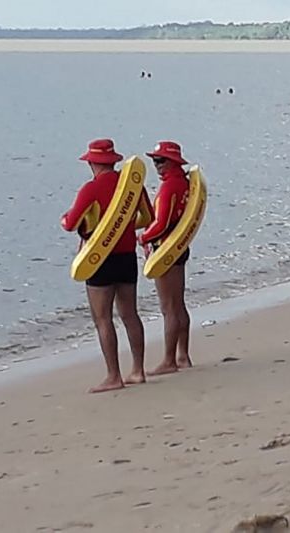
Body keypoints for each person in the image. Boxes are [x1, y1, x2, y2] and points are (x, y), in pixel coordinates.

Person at [60, 138, 152, 393]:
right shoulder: (132, 187)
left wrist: (64, 219)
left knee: (103, 319)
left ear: (92, 163)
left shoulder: (90, 189)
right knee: (130, 314)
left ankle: (114, 376)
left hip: (99, 258)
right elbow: (148, 217)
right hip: (126, 257)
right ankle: (138, 370)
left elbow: (70, 223)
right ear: (113, 161)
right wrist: (123, 229)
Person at [139, 141, 193, 375]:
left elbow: (161, 223)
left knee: (168, 307)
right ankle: (183, 356)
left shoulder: (170, 186)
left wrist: (143, 238)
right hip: (179, 246)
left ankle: (169, 360)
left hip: (165, 249)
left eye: (160, 161)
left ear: (172, 161)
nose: (156, 165)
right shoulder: (185, 183)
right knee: (178, 303)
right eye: (154, 161)